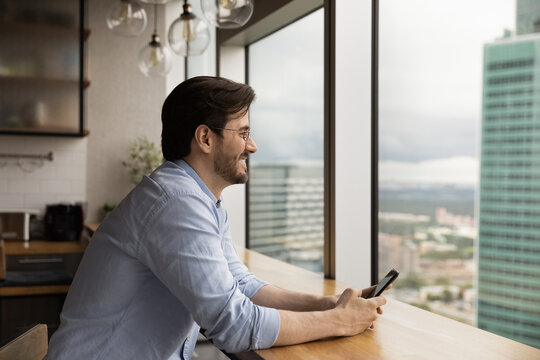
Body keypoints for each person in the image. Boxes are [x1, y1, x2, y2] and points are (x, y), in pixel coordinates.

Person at [45, 76, 387, 360]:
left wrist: (327, 305)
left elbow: (242, 284)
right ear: (205, 138)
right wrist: (340, 322)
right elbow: (234, 326)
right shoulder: (177, 202)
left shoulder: (198, 197)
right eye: (242, 133)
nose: (252, 146)